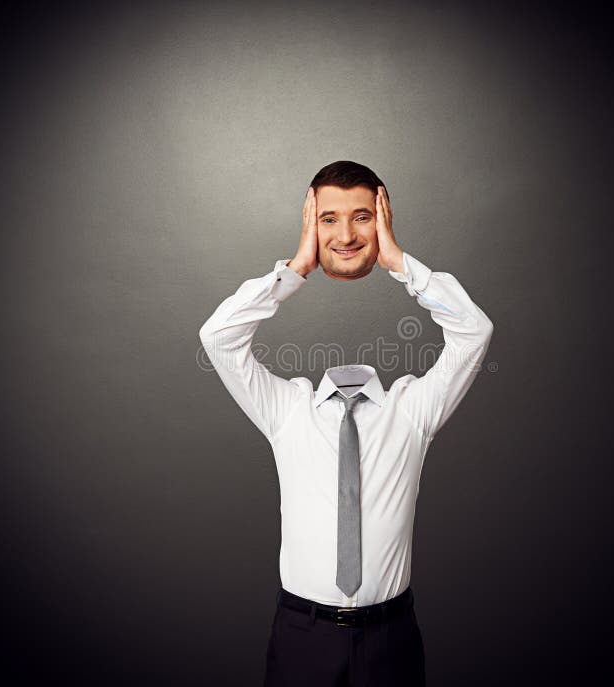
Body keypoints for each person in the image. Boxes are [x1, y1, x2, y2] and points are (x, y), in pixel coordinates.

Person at [198, 161, 494, 686]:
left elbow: (474, 333)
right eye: (329, 219)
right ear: (311, 221)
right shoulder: (288, 411)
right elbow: (219, 338)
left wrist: (400, 262)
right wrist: (296, 268)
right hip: (301, 636)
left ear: (381, 219)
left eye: (362, 217)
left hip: (392, 637)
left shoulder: (412, 411)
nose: (347, 234)